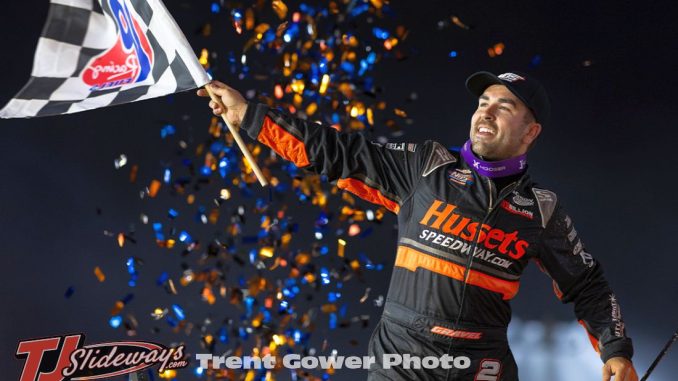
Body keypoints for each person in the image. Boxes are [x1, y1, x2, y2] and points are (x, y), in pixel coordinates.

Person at [198, 71, 638, 381]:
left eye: (504, 107)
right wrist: (251, 117)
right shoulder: (425, 165)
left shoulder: (542, 209)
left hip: (483, 369)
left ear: (530, 132)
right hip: (401, 364)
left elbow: (588, 286)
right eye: (483, 102)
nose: (486, 112)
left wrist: (615, 351)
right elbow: (336, 151)